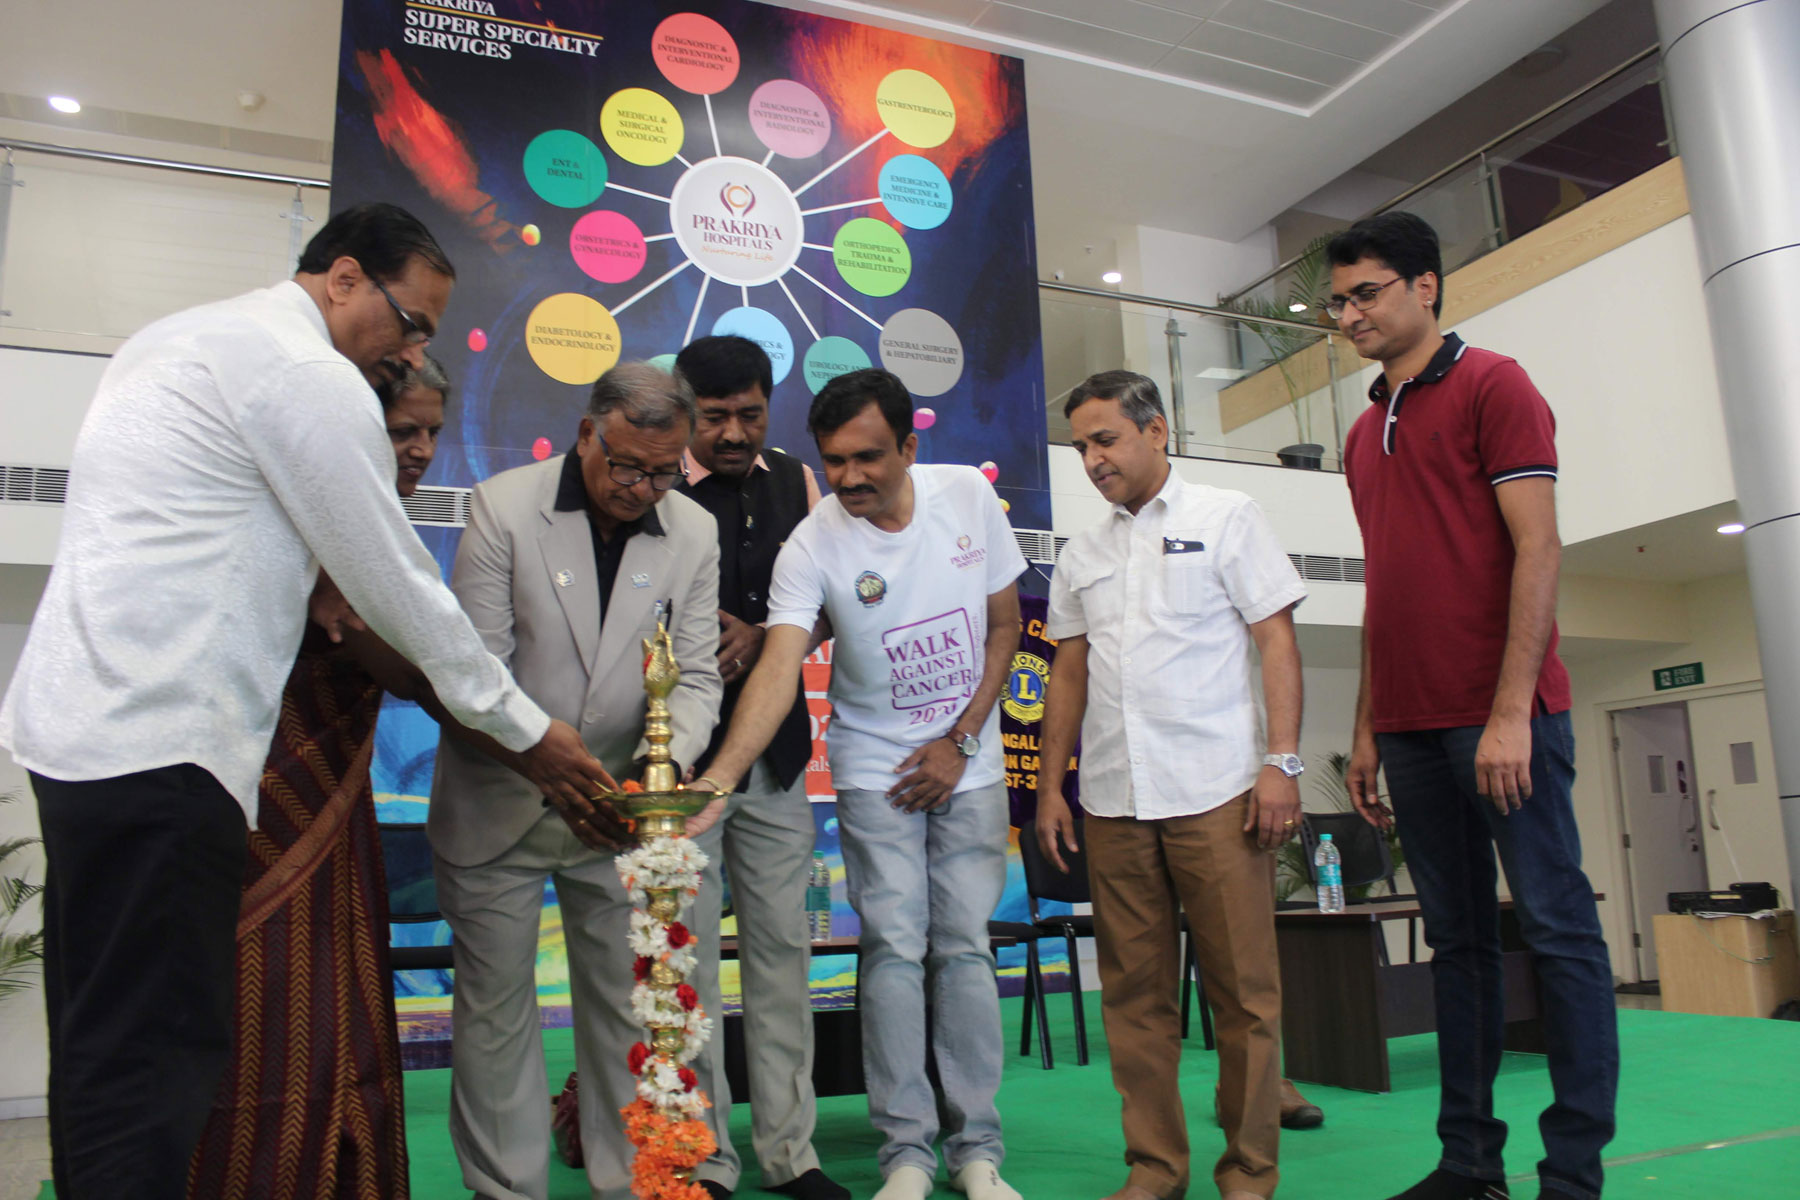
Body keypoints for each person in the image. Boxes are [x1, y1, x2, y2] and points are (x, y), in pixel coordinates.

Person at [0, 203, 604, 1200]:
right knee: (155, 1059)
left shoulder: (180, 337)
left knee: (103, 1042)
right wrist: (530, 734)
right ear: (344, 278)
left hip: (75, 737)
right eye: (411, 323)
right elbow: (398, 584)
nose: (411, 353)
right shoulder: (308, 374)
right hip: (165, 746)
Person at [1330, 211, 1616, 1200]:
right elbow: (1386, 588)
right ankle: (1468, 1164)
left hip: (1503, 719)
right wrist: (1366, 727)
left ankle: (1572, 1173)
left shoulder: (1497, 384)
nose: (1349, 314)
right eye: (1337, 301)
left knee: (1558, 930)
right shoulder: (1362, 433)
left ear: (1426, 286)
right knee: (1457, 945)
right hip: (1408, 728)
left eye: (1366, 293)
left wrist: (1508, 714)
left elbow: (1539, 548)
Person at [695, 368, 1026, 1200]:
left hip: (970, 765)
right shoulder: (813, 543)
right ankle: (906, 1154)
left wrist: (959, 740)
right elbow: (779, 664)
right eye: (833, 461)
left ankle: (978, 1151)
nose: (848, 478)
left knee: (964, 946)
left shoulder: (967, 497)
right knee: (893, 949)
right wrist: (721, 777)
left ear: (909, 447)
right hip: (876, 772)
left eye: (868, 458)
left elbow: (1005, 625)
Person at [427, 362, 735, 1200]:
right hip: (498, 799)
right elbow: (477, 672)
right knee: (496, 1018)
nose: (641, 490)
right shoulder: (502, 507)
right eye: (626, 467)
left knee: (631, 1010)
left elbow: (697, 678)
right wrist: (551, 766)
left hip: (619, 814)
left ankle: (632, 1183)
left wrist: (657, 771)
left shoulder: (694, 530)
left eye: (663, 473)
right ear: (587, 433)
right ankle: (507, 1190)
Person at [1034, 371, 1306, 1200]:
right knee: (1133, 999)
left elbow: (1276, 640)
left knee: (1244, 997)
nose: (1092, 460)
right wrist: (1049, 789)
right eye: (1081, 446)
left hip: (1218, 793)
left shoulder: (1228, 517)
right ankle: (1154, 1169)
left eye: (1105, 439)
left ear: (1156, 430)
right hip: (1113, 800)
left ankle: (1249, 1171)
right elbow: (1068, 674)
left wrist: (1282, 762)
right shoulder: (1081, 553)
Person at [186, 357, 452, 1199]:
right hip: (255, 804)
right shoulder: (278, 521)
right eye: (401, 431)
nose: (421, 450)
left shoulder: (382, 536)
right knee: (258, 1002)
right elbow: (411, 668)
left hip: (336, 813)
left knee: (342, 1002)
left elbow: (417, 663)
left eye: (433, 432)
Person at [672, 336, 846, 1200]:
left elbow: (828, 603)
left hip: (778, 766)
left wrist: (779, 637)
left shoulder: (799, 483)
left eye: (751, 414)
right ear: (684, 412)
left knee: (783, 960)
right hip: (676, 774)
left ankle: (790, 1155)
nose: (735, 434)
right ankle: (705, 1158)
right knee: (689, 969)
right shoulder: (652, 481)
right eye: (715, 418)